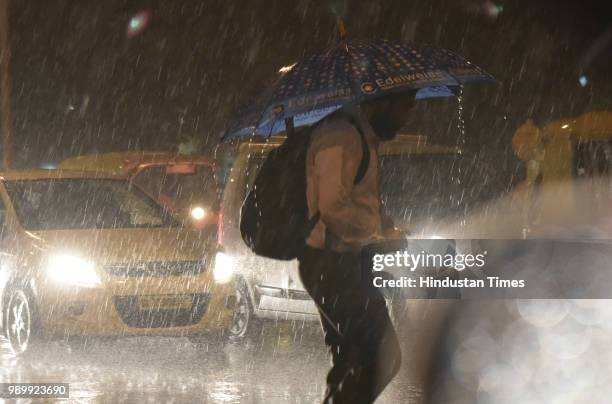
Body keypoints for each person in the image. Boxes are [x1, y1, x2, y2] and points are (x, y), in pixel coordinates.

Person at [297, 92, 415, 403]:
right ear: (383, 102)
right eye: (405, 104)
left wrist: (384, 226)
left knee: (353, 360)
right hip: (332, 264)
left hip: (346, 263)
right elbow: (333, 209)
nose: (408, 116)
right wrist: (378, 234)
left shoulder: (359, 136)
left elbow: (357, 201)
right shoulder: (341, 136)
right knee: (380, 355)